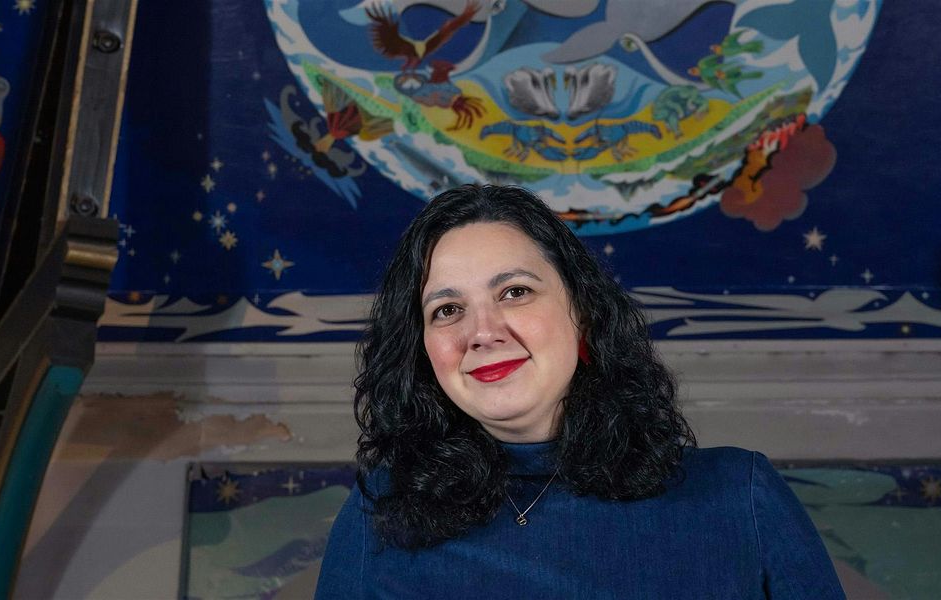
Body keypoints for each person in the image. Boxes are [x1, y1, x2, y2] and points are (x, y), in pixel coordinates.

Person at [315, 184, 844, 598]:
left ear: (584, 314)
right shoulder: (378, 512)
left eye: (515, 292)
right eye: (447, 309)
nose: (482, 332)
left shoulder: (739, 496)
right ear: (423, 351)